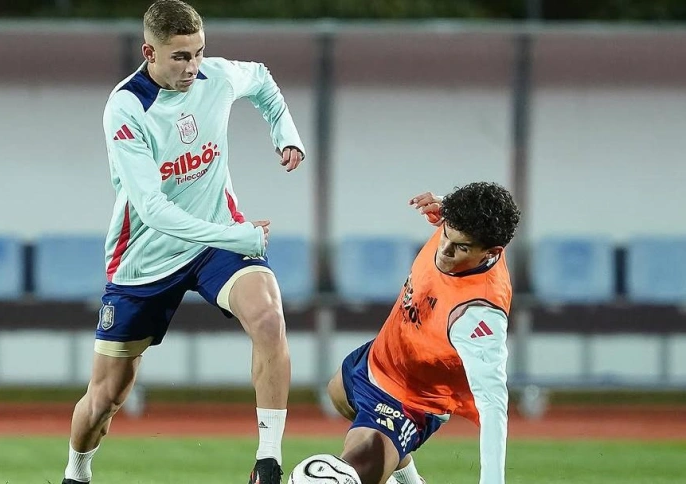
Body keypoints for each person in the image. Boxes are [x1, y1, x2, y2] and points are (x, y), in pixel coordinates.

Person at [60, 1, 305, 483]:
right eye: (179, 57)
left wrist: (286, 134)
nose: (192, 67)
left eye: (198, 53)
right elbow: (153, 210)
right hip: (145, 256)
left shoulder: (215, 76)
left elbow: (260, 79)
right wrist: (237, 233)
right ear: (149, 51)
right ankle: (77, 471)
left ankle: (268, 462)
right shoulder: (127, 108)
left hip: (216, 243)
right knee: (107, 395)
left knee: (268, 316)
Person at [303, 182, 521, 484]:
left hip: (412, 400)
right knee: (338, 394)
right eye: (446, 233)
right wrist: (446, 206)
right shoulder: (466, 226)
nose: (445, 250)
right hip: (380, 356)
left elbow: (494, 402)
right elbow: (467, 222)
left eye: (461, 247)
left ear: (491, 253)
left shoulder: (479, 315)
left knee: (340, 476)